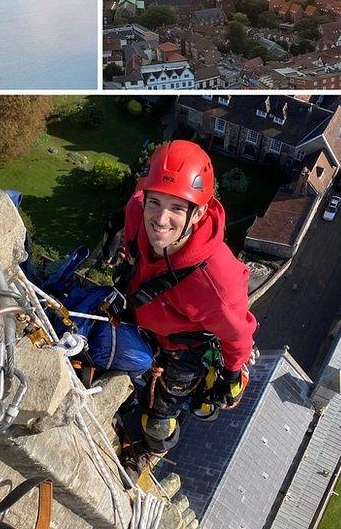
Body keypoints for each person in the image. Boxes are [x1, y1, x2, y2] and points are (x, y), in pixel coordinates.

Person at [109, 141, 257, 473]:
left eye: (177, 208)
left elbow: (238, 335)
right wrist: (116, 229)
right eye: (156, 202)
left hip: (183, 347)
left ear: (199, 213)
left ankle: (149, 452)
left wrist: (231, 373)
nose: (160, 219)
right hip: (138, 316)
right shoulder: (138, 212)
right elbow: (135, 201)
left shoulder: (216, 282)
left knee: (159, 417)